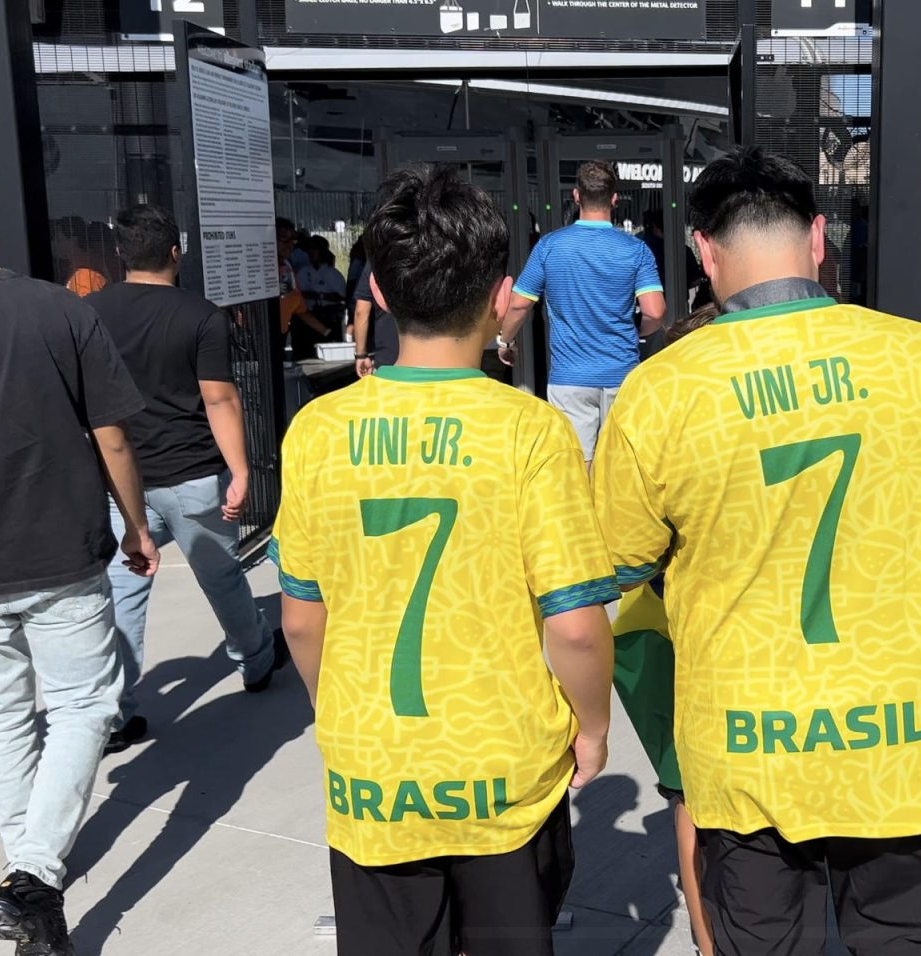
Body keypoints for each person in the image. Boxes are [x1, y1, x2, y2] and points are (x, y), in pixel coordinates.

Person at [592, 148, 921, 956]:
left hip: (748, 753)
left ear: (704, 253)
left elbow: (619, 562)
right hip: (901, 743)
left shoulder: (662, 390)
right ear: (817, 238)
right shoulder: (918, 357)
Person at [272, 164, 618, 956]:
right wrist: (591, 728)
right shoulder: (531, 431)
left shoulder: (319, 432)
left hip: (374, 774)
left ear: (382, 295)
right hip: (504, 776)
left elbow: (300, 618)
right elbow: (573, 626)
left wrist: (345, 715)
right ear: (502, 297)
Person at [0, 157, 161, 956]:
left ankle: (28, 882)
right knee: (84, 705)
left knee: (1, 720)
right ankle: (33, 875)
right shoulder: (54, 308)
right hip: (61, 545)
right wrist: (137, 527)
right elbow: (111, 433)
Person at [87, 203, 291, 752]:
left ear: (120, 255)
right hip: (194, 472)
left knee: (124, 593)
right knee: (221, 577)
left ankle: (117, 713)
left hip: (119, 481)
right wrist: (243, 472)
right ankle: (255, 661)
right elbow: (219, 398)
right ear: (176, 253)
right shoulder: (201, 315)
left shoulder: (89, 312)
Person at [608, 302, 722, 956]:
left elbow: (624, 556)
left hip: (667, 636)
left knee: (687, 796)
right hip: (702, 644)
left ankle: (709, 946)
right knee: (691, 799)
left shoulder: (662, 435)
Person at [497, 160, 667, 466]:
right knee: (622, 468)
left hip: (569, 379)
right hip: (622, 375)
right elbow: (655, 312)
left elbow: (519, 304)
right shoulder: (636, 250)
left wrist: (504, 342)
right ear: (615, 199)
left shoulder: (550, 246)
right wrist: (636, 334)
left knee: (579, 468)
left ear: (576, 196)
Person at [277, 218, 332, 348]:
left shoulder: (287, 268)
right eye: (285, 239)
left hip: (280, 336)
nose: (291, 244)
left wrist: (327, 332)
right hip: (257, 338)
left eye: (293, 239)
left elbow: (299, 308)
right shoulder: (257, 270)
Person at [298, 235, 348, 355]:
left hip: (328, 316)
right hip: (308, 317)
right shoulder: (303, 272)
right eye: (309, 249)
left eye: (314, 249)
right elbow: (297, 294)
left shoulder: (333, 273)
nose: (311, 252)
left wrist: (320, 295)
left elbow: (341, 296)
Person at [350, 262, 398, 377]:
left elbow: (361, 312)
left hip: (387, 362)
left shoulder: (376, 262)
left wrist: (361, 354)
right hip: (435, 364)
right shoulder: (436, 253)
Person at [54, 215, 114, 297]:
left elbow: (83, 307)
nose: (55, 244)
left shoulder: (84, 273)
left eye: (59, 239)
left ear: (73, 240)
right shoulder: (85, 264)